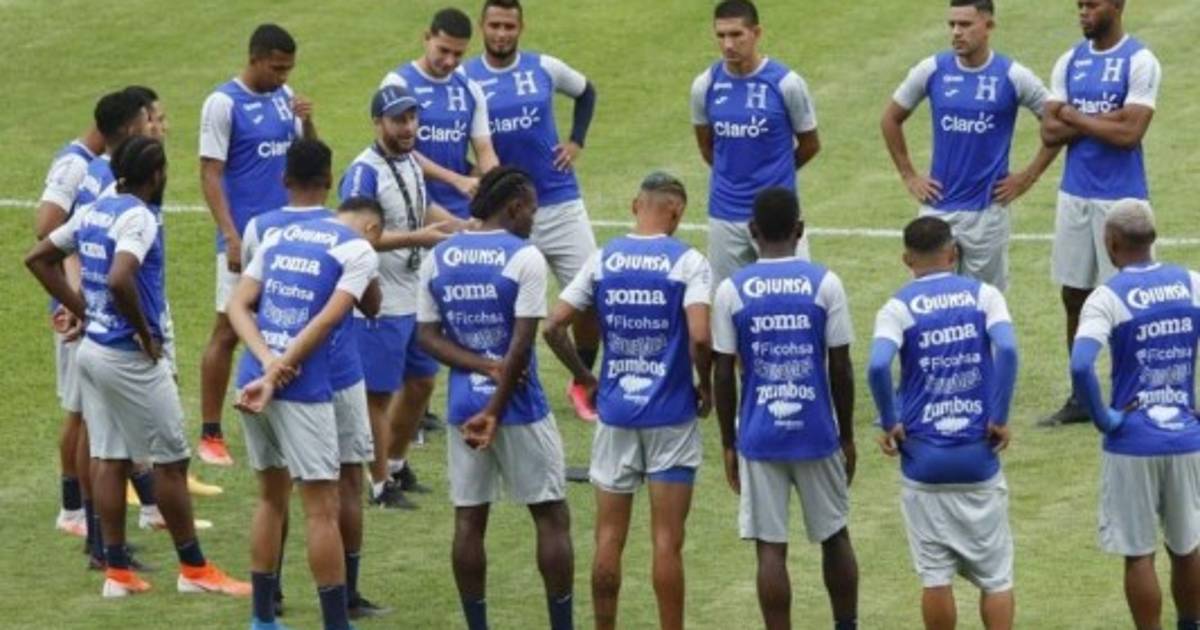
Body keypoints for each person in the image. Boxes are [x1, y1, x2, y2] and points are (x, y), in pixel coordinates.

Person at [25, 136, 249, 599]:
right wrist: (146, 335)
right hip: (128, 357)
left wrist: (86, 312)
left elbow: (38, 257)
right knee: (171, 461)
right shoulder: (139, 218)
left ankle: (117, 572)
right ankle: (194, 569)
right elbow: (119, 277)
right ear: (157, 175)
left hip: (92, 351)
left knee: (110, 457)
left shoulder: (94, 210)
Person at [544, 172, 711, 630]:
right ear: (677, 211)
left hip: (615, 416)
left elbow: (553, 327)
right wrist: (706, 385)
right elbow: (700, 337)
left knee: (608, 538)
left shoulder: (603, 259)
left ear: (636, 205)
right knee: (666, 542)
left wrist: (585, 378)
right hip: (670, 418)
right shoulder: (688, 262)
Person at [416, 167, 574, 630]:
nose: (534, 219)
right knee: (550, 515)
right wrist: (495, 407)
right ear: (514, 206)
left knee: (469, 520)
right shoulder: (524, 257)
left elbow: (427, 337)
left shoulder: (439, 256)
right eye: (532, 211)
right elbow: (520, 347)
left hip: (463, 406)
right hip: (519, 408)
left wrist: (480, 370)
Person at [242, 139, 390, 619]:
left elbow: (238, 304)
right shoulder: (353, 244)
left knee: (270, 498)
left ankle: (263, 618)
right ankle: (341, 614)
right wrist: (280, 369)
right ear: (330, 179)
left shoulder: (269, 233)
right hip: (315, 381)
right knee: (327, 504)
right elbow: (335, 318)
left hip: (255, 373)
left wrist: (267, 361)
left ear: (284, 178)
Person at [712, 187, 859, 630]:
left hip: (760, 435)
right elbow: (840, 367)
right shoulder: (825, 283)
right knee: (835, 535)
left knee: (770, 548)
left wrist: (728, 442)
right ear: (800, 229)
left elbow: (723, 373)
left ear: (752, 231)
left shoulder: (732, 290)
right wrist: (847, 436)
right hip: (817, 432)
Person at [867, 216, 1019, 630]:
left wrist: (890, 421)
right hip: (977, 456)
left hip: (924, 462)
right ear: (953, 254)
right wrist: (999, 416)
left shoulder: (897, 307)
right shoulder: (985, 295)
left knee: (935, 577)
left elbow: (877, 365)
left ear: (907, 259)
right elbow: (1007, 349)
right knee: (997, 577)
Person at [465, 0, 602, 423]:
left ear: (521, 27)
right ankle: (507, 379)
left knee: (591, 298)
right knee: (500, 304)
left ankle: (582, 379)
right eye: (494, 25)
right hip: (504, 213)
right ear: (482, 27)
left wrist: (576, 141)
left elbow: (587, 91)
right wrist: (469, 171)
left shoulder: (544, 67)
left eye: (509, 26)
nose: (501, 34)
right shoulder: (465, 79)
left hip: (560, 203)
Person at [1068, 201, 1200, 630]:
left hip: (1133, 442)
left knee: (1139, 552)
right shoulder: (1191, 283)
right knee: (1187, 545)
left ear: (1111, 243)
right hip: (1187, 436)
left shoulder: (1107, 297)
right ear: (1153, 238)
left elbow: (1081, 365)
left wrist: (1105, 419)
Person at [1038, 0, 1162, 426]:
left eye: (1091, 4)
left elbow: (1129, 134)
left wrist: (1074, 115)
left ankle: (1136, 393)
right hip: (1074, 194)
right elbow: (1049, 131)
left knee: (1132, 298)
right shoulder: (1069, 60)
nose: (1083, 11)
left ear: (1117, 5)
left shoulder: (1139, 60)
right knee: (1073, 294)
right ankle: (1080, 397)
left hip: (1122, 199)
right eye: (1079, 5)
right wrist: (1102, 119)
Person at [880, 0, 1060, 292]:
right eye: (952, 24)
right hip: (937, 209)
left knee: (985, 302)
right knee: (929, 297)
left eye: (965, 24)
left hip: (987, 214)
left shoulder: (1012, 75)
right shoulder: (932, 69)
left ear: (989, 26)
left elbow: (1058, 124)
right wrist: (908, 175)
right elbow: (890, 119)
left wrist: (1028, 177)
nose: (956, 32)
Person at [340, 86, 463, 510]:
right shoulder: (364, 172)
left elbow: (421, 209)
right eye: (398, 120)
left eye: (412, 118)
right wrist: (417, 239)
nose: (408, 127)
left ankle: (395, 462)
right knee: (378, 395)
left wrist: (461, 226)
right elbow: (354, 236)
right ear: (378, 123)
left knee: (422, 382)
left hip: (414, 294)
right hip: (382, 301)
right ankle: (379, 484)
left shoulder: (410, 160)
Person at [198, 23, 316, 465]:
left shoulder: (286, 98)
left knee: (287, 324)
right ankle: (211, 432)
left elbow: (310, 160)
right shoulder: (223, 103)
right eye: (277, 68)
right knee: (228, 329)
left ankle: (280, 414)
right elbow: (210, 173)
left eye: (289, 69)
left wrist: (307, 121)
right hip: (243, 238)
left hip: (286, 236)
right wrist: (229, 235)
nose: (284, 77)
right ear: (255, 58)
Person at [691, 0, 820, 291]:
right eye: (721, 35)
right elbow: (707, 147)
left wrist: (775, 174)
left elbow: (810, 144)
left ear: (756, 33)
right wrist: (735, 174)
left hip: (779, 214)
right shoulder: (705, 85)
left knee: (793, 294)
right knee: (728, 299)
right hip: (725, 214)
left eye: (736, 34)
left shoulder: (787, 83)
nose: (728, 44)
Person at [34, 109, 105, 542]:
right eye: (151, 120)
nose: (158, 127)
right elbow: (47, 229)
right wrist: (70, 296)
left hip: (84, 303)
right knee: (80, 413)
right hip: (73, 307)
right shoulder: (76, 164)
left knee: (90, 413)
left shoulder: (93, 164)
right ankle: (72, 509)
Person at [380, 7, 498, 218]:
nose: (449, 61)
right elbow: (396, 150)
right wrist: (455, 179)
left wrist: (497, 184)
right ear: (427, 38)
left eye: (458, 54)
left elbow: (484, 149)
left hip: (462, 211)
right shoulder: (398, 84)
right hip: (413, 210)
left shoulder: (471, 90)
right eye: (443, 50)